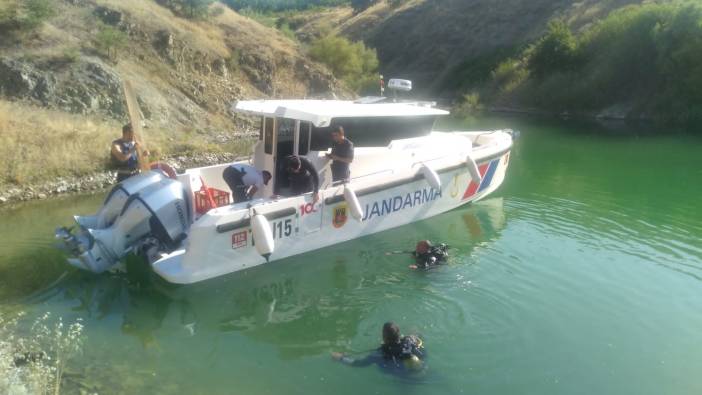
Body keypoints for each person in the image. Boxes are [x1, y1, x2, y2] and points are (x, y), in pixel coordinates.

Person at [331, 322, 425, 372]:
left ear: (383, 337)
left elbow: (358, 363)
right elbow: (418, 335)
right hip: (420, 369)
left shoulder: (378, 354)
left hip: (401, 376)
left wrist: (341, 358)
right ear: (399, 334)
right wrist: (414, 331)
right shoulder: (409, 340)